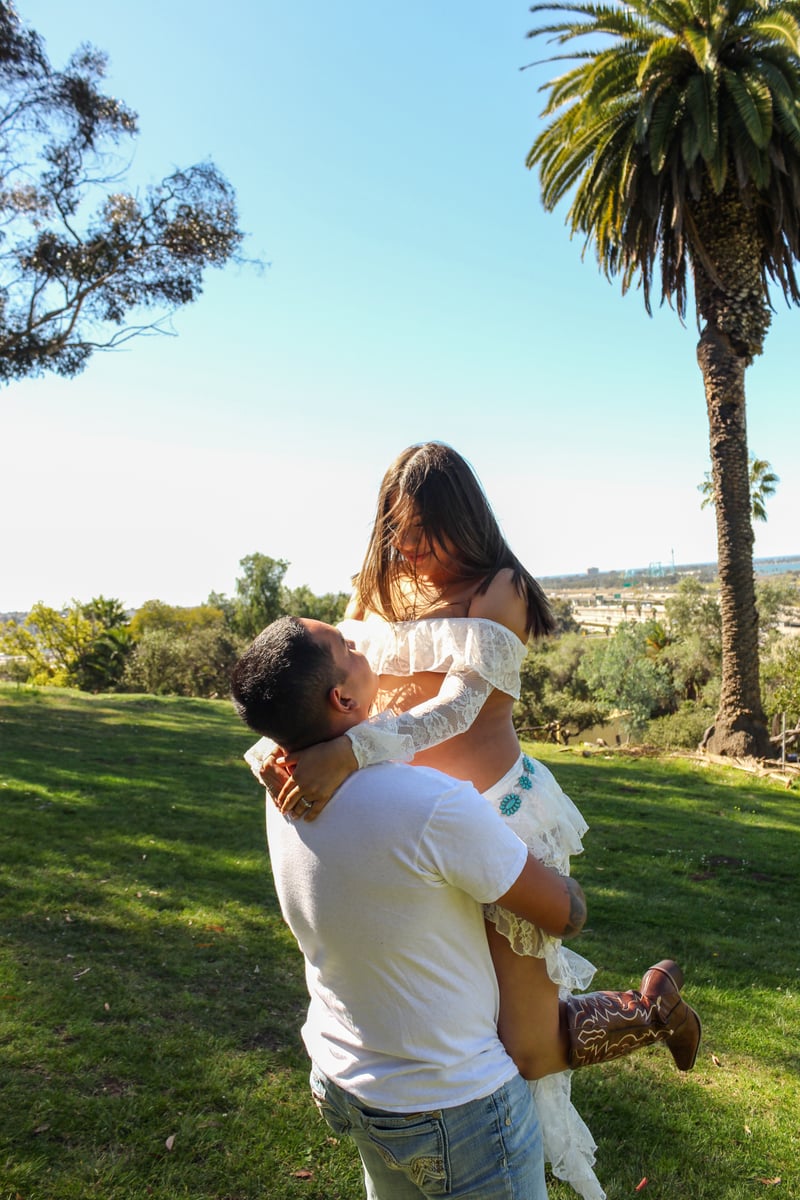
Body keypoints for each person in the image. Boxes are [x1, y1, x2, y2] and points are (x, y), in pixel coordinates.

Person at [251, 442, 701, 1200]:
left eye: (424, 529)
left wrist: (350, 753)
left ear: (462, 517)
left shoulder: (501, 588)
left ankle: (653, 1013)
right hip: (408, 833)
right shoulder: (377, 585)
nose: (410, 548)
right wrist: (278, 745)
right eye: (397, 530)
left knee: (525, 1045)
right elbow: (319, 682)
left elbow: (455, 708)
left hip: (500, 818)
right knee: (459, 1022)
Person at [231, 614, 590, 1200]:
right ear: (341, 697)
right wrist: (538, 849)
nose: (361, 641)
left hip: (346, 1074)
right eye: (347, 646)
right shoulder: (430, 803)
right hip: (454, 1103)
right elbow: (563, 914)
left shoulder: (284, 790)